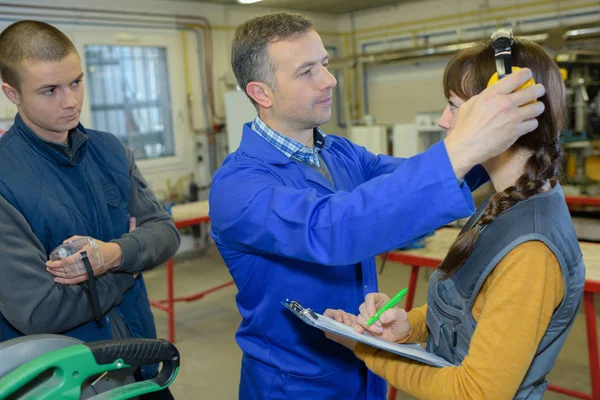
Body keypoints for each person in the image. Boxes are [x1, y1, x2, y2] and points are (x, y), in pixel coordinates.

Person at [209, 12, 546, 399]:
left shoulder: (338, 153)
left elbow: (410, 185)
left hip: (369, 367)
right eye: (306, 72)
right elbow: (334, 229)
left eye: (325, 64)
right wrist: (466, 145)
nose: (329, 79)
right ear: (262, 93)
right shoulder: (239, 187)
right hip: (296, 385)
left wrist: (495, 137)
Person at [325, 35, 585, 400]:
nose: (445, 121)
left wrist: (366, 348)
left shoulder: (530, 253)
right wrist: (406, 326)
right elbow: (474, 310)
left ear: (504, 113)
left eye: (454, 106)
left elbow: (474, 393)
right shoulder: (507, 201)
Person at [0, 20, 180, 398]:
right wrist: (128, 265)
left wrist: (112, 253)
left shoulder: (109, 150)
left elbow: (164, 232)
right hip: (64, 381)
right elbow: (40, 311)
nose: (71, 101)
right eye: (49, 90)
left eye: (76, 82)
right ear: (10, 93)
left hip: (140, 361)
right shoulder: (5, 177)